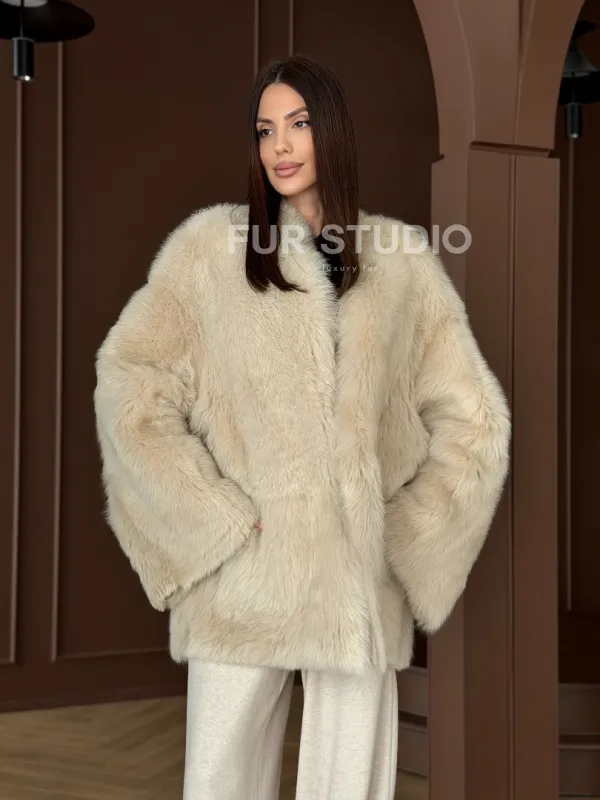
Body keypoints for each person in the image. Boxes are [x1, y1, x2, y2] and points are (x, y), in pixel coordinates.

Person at [93, 54, 511, 800]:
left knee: (351, 788)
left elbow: (474, 420)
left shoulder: (402, 265)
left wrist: (405, 537)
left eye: (298, 123)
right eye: (265, 130)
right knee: (220, 783)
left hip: (356, 586)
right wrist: (212, 519)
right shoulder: (211, 252)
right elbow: (130, 383)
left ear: (333, 133)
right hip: (244, 581)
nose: (280, 145)